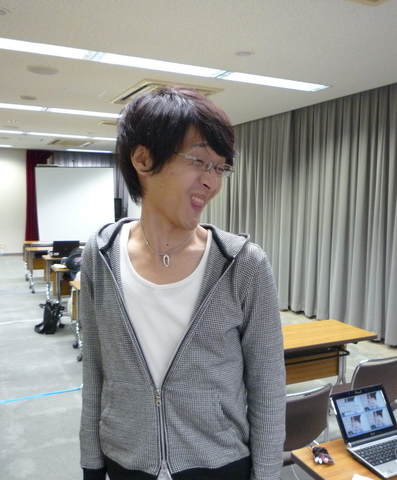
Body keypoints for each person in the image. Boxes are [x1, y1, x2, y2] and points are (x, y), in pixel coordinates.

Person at [79, 85, 286, 480]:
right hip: (126, 459)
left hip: (218, 463)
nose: (213, 182)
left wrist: (266, 476)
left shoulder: (242, 265)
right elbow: (95, 371)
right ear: (143, 159)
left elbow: (269, 387)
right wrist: (91, 464)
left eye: (220, 168)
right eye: (199, 161)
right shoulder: (101, 255)